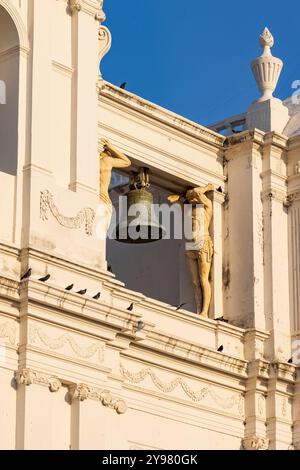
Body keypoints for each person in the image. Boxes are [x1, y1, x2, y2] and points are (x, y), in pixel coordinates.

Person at [168, 184, 214, 317]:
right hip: (190, 245)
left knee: (203, 279)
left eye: (193, 196)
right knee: (195, 282)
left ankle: (205, 311)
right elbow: (174, 201)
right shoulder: (188, 210)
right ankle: (199, 309)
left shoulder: (207, 207)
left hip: (203, 243)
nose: (192, 197)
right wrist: (179, 199)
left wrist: (205, 188)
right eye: (190, 197)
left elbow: (197, 192)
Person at [99, 139, 131, 232]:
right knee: (100, 232)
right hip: (103, 198)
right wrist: (111, 147)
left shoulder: (90, 162)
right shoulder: (107, 161)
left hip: (92, 194)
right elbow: (127, 162)